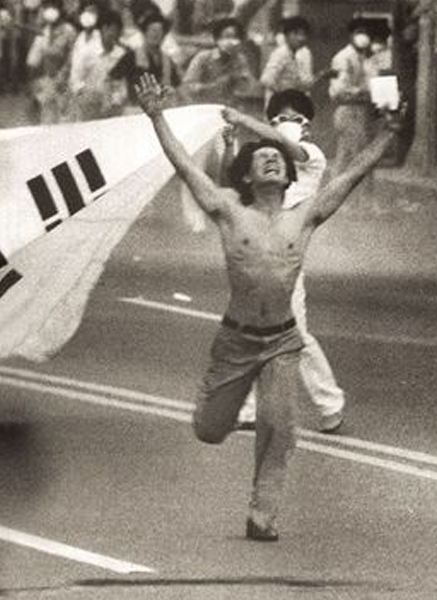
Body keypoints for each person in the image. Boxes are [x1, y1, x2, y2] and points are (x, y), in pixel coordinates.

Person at [134, 72, 401, 541]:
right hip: (235, 340)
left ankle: (263, 515)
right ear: (248, 175)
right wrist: (156, 116)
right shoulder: (226, 210)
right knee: (209, 430)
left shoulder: (307, 215)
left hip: (281, 340)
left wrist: (388, 135)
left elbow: (353, 176)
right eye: (262, 158)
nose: (272, 161)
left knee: (280, 429)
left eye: (277, 158)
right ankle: (216, 412)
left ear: (287, 173)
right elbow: (184, 166)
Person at [219, 90, 346, 433]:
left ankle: (330, 403)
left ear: (306, 127)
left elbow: (284, 144)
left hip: (287, 259)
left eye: (296, 119)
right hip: (251, 257)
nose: (287, 126)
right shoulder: (260, 160)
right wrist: (231, 146)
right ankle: (247, 410)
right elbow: (228, 188)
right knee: (248, 330)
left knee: (294, 333)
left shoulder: (311, 157)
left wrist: (245, 120)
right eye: (280, 118)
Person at [329, 17, 377, 176]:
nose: (363, 36)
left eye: (366, 33)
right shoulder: (342, 58)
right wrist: (362, 91)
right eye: (359, 32)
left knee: (347, 156)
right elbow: (338, 89)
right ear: (351, 35)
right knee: (356, 157)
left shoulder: (365, 58)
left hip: (361, 111)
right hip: (348, 109)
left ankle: (339, 194)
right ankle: (352, 196)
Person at [182, 17, 260, 110]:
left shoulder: (239, 60)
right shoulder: (203, 58)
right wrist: (216, 85)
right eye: (226, 37)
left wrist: (242, 79)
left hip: (227, 109)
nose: (230, 42)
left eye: (235, 38)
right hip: (201, 107)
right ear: (217, 39)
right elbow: (188, 88)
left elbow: (248, 87)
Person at [70, 9, 128, 121]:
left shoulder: (121, 54)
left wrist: (115, 100)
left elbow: (122, 85)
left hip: (113, 109)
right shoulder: (87, 52)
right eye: (108, 29)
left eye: (115, 30)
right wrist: (85, 94)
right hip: (88, 106)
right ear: (101, 29)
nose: (112, 34)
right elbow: (75, 79)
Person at [25, 0, 76, 124]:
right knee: (47, 122)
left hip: (65, 84)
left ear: (59, 8)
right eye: (47, 6)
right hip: (47, 82)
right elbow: (33, 61)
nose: (50, 9)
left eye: (53, 6)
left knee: (66, 122)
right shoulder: (44, 32)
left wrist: (63, 75)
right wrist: (32, 89)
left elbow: (74, 57)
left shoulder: (69, 30)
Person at [260, 16, 314, 104]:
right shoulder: (280, 53)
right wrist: (283, 94)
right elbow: (266, 79)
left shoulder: (305, 53)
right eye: (296, 34)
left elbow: (306, 81)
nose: (300, 38)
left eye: (304, 34)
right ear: (286, 36)